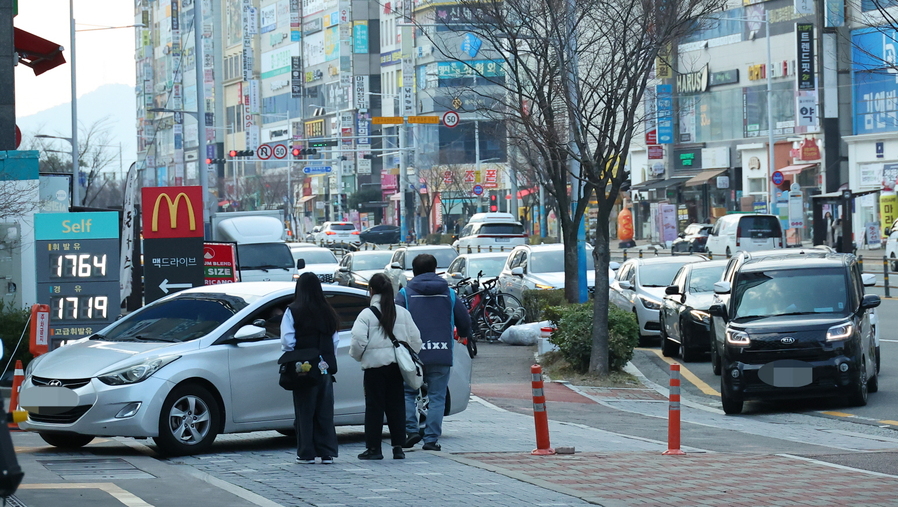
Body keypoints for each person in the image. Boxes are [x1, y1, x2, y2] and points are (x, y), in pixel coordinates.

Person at [396, 254, 472, 451]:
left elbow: (395, 321)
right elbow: (464, 321)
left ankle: (411, 431)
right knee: (437, 396)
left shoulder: (404, 294)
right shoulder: (449, 293)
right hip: (441, 352)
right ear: (435, 269)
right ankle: (431, 440)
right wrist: (463, 335)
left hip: (412, 355)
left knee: (408, 393)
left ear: (413, 271)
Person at [349, 273, 422, 460]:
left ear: (371, 291)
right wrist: (404, 355)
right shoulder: (403, 313)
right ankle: (398, 447)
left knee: (374, 407)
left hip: (374, 368)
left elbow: (358, 341)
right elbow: (416, 341)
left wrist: (359, 357)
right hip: (396, 367)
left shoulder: (366, 314)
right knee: (396, 406)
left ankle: (374, 449)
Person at [280, 272, 340, 464]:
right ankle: (327, 452)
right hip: (325, 367)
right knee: (325, 410)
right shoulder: (328, 310)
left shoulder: (293, 310)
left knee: (304, 410)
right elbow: (335, 340)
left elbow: (287, 341)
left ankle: (306, 452)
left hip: (302, 368)